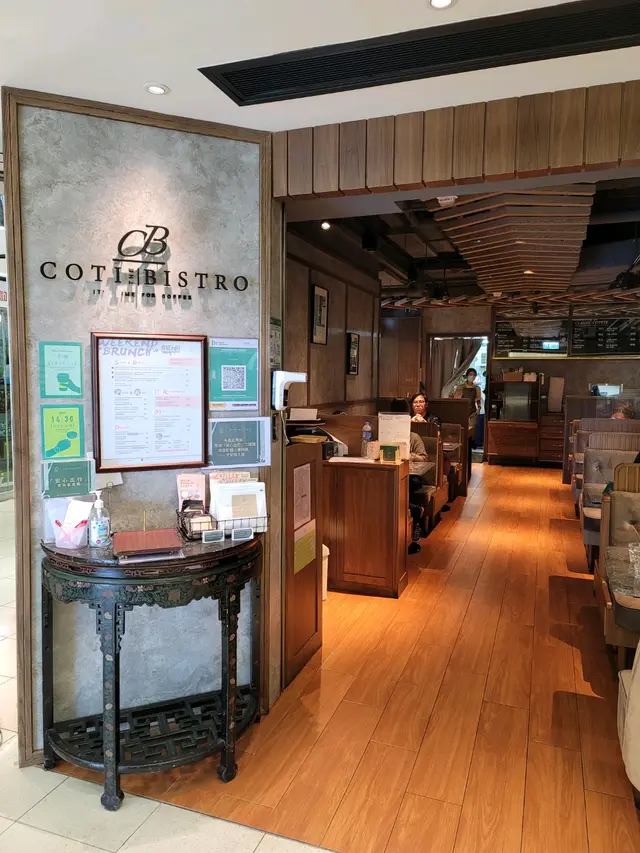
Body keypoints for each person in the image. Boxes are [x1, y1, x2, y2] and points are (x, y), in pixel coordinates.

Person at [389, 398, 429, 553]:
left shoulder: (413, 437)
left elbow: (424, 458)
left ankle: (412, 523)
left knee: (408, 484)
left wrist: (410, 455)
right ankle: (414, 510)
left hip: (413, 475)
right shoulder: (385, 435)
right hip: (393, 472)